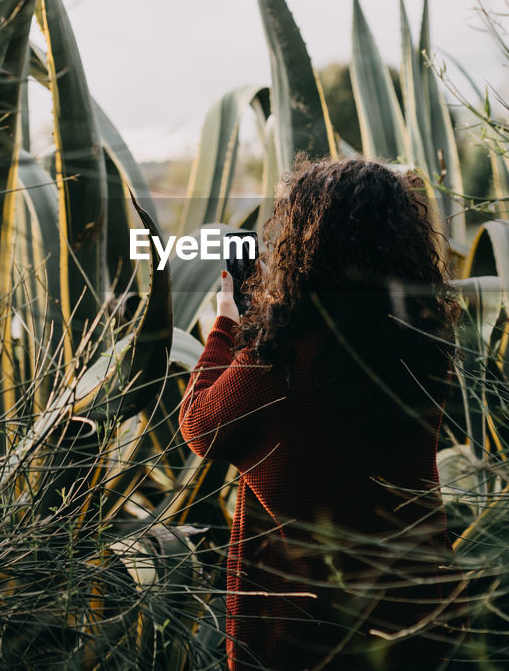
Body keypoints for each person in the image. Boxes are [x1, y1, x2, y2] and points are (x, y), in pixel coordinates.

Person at [179, 158, 461, 671]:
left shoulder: (279, 356)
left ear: (301, 245)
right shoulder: (427, 342)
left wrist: (227, 325)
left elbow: (201, 429)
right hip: (412, 609)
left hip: (303, 629)